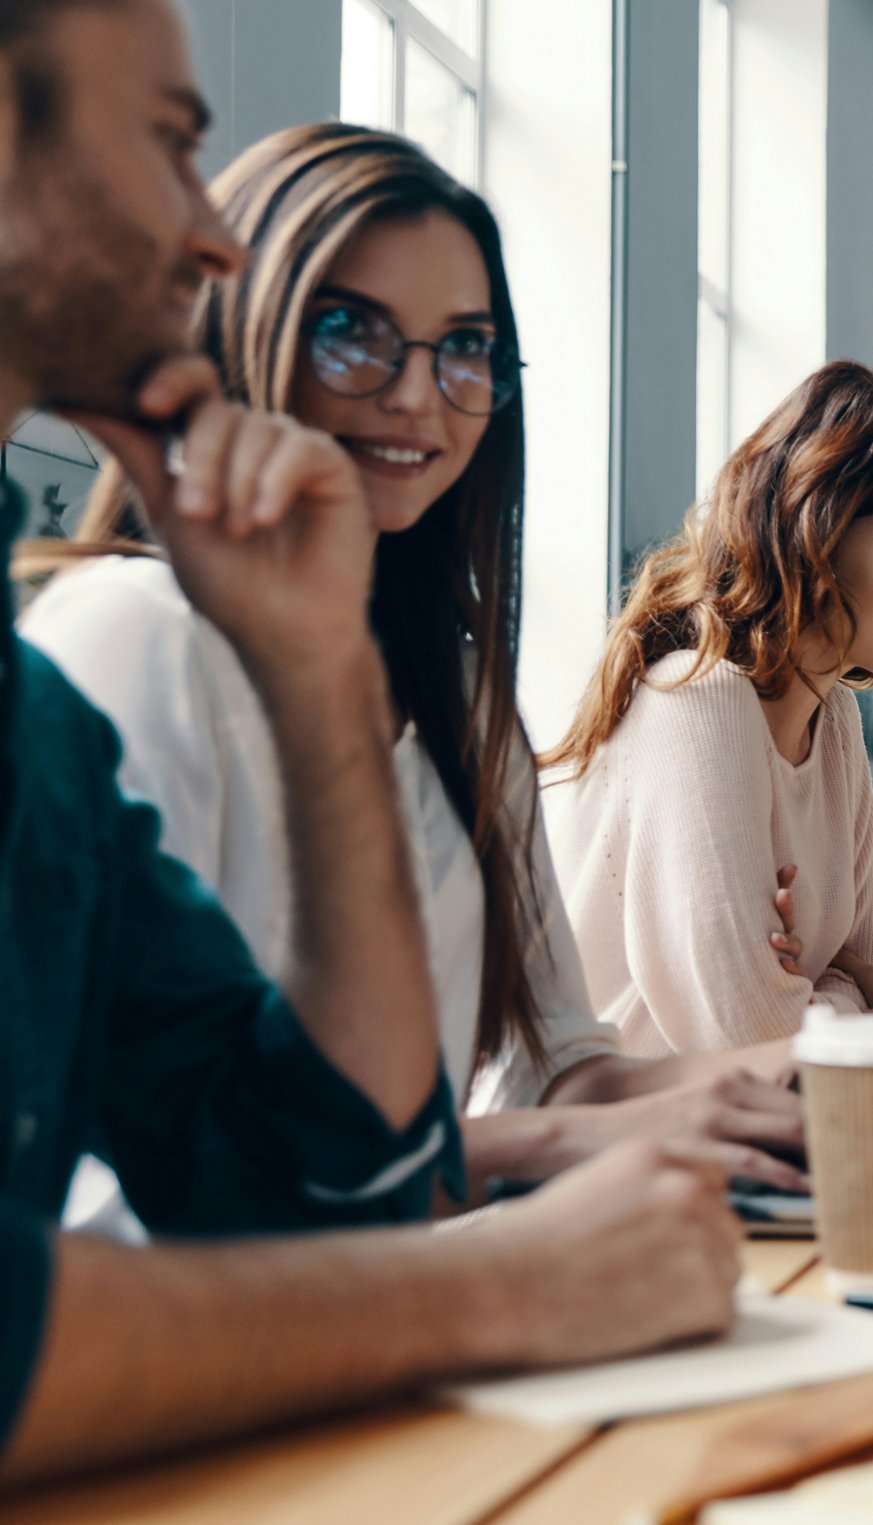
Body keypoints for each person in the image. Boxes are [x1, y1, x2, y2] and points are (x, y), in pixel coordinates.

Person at [0, 0, 736, 1482]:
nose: (206, 238)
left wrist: (323, 667)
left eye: (467, 353)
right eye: (170, 143)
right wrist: (503, 1282)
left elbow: (330, 1182)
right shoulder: (111, 638)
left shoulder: (38, 727)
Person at [21, 122, 812, 1197]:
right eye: (353, 330)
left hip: (398, 1293)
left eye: (466, 347)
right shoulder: (133, 635)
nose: (415, 393)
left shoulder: (459, 687)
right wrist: (547, 1148)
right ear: (242, 326)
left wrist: (812, 1073)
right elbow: (129, 1174)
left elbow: (557, 1066)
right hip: (219, 1338)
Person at [543, 361, 873, 1049]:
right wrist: (846, 1001)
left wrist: (827, 994)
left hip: (769, 1139)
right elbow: (756, 1041)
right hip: (631, 1143)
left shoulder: (832, 720)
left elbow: (867, 972)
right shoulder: (697, 702)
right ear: (817, 536)